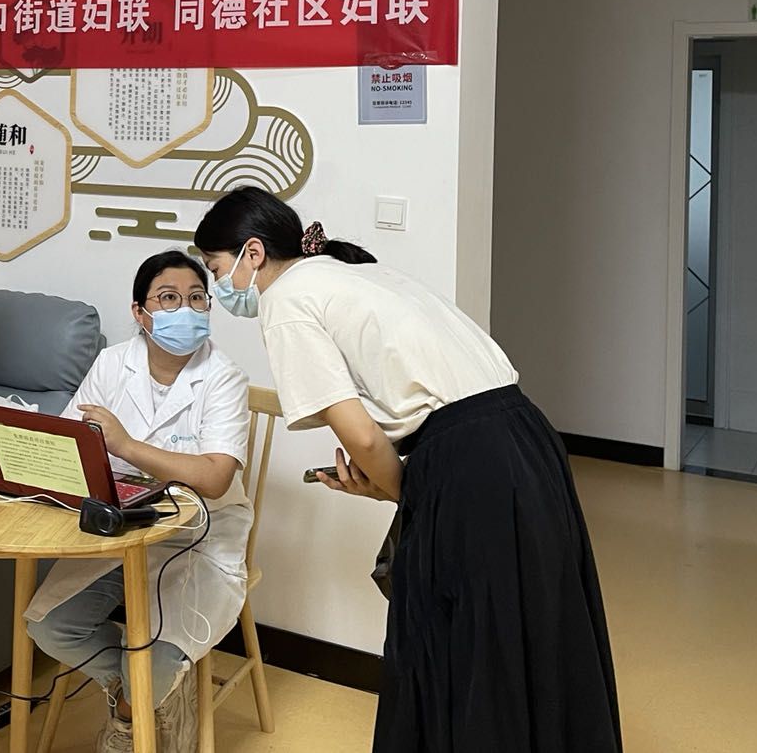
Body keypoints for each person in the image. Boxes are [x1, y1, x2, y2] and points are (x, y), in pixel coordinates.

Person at [193, 186, 622, 753]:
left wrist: (404, 494)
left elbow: (362, 436)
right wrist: (406, 486)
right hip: (526, 437)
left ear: (252, 253)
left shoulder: (286, 299)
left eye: (215, 269)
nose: (218, 288)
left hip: (472, 462)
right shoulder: (357, 272)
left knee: (459, 642)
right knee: (536, 624)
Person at [24, 251, 253, 753]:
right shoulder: (113, 363)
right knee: (49, 626)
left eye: (197, 298)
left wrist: (126, 445)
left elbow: (215, 478)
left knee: (153, 658)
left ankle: (130, 717)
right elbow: (69, 438)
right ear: (140, 312)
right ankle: (142, 694)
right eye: (168, 298)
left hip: (198, 535)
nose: (185, 309)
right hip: (123, 526)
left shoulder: (223, 376)